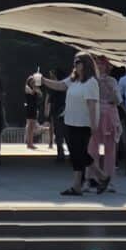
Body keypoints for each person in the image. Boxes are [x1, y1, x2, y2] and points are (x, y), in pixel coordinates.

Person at [44, 54, 102, 196]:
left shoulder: (91, 82)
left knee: (79, 154)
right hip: (71, 121)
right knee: (78, 154)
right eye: (74, 62)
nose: (75, 65)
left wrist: (94, 125)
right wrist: (43, 80)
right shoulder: (73, 79)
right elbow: (59, 85)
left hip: (83, 123)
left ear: (86, 64)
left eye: (78, 62)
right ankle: (100, 177)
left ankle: (81, 184)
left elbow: (92, 105)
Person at [91, 54, 123, 191]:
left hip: (109, 116)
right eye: (97, 64)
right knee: (92, 150)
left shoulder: (112, 81)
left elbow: (118, 100)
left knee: (110, 150)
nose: (99, 66)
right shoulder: (91, 80)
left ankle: (109, 180)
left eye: (102, 64)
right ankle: (91, 179)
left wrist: (111, 89)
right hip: (95, 115)